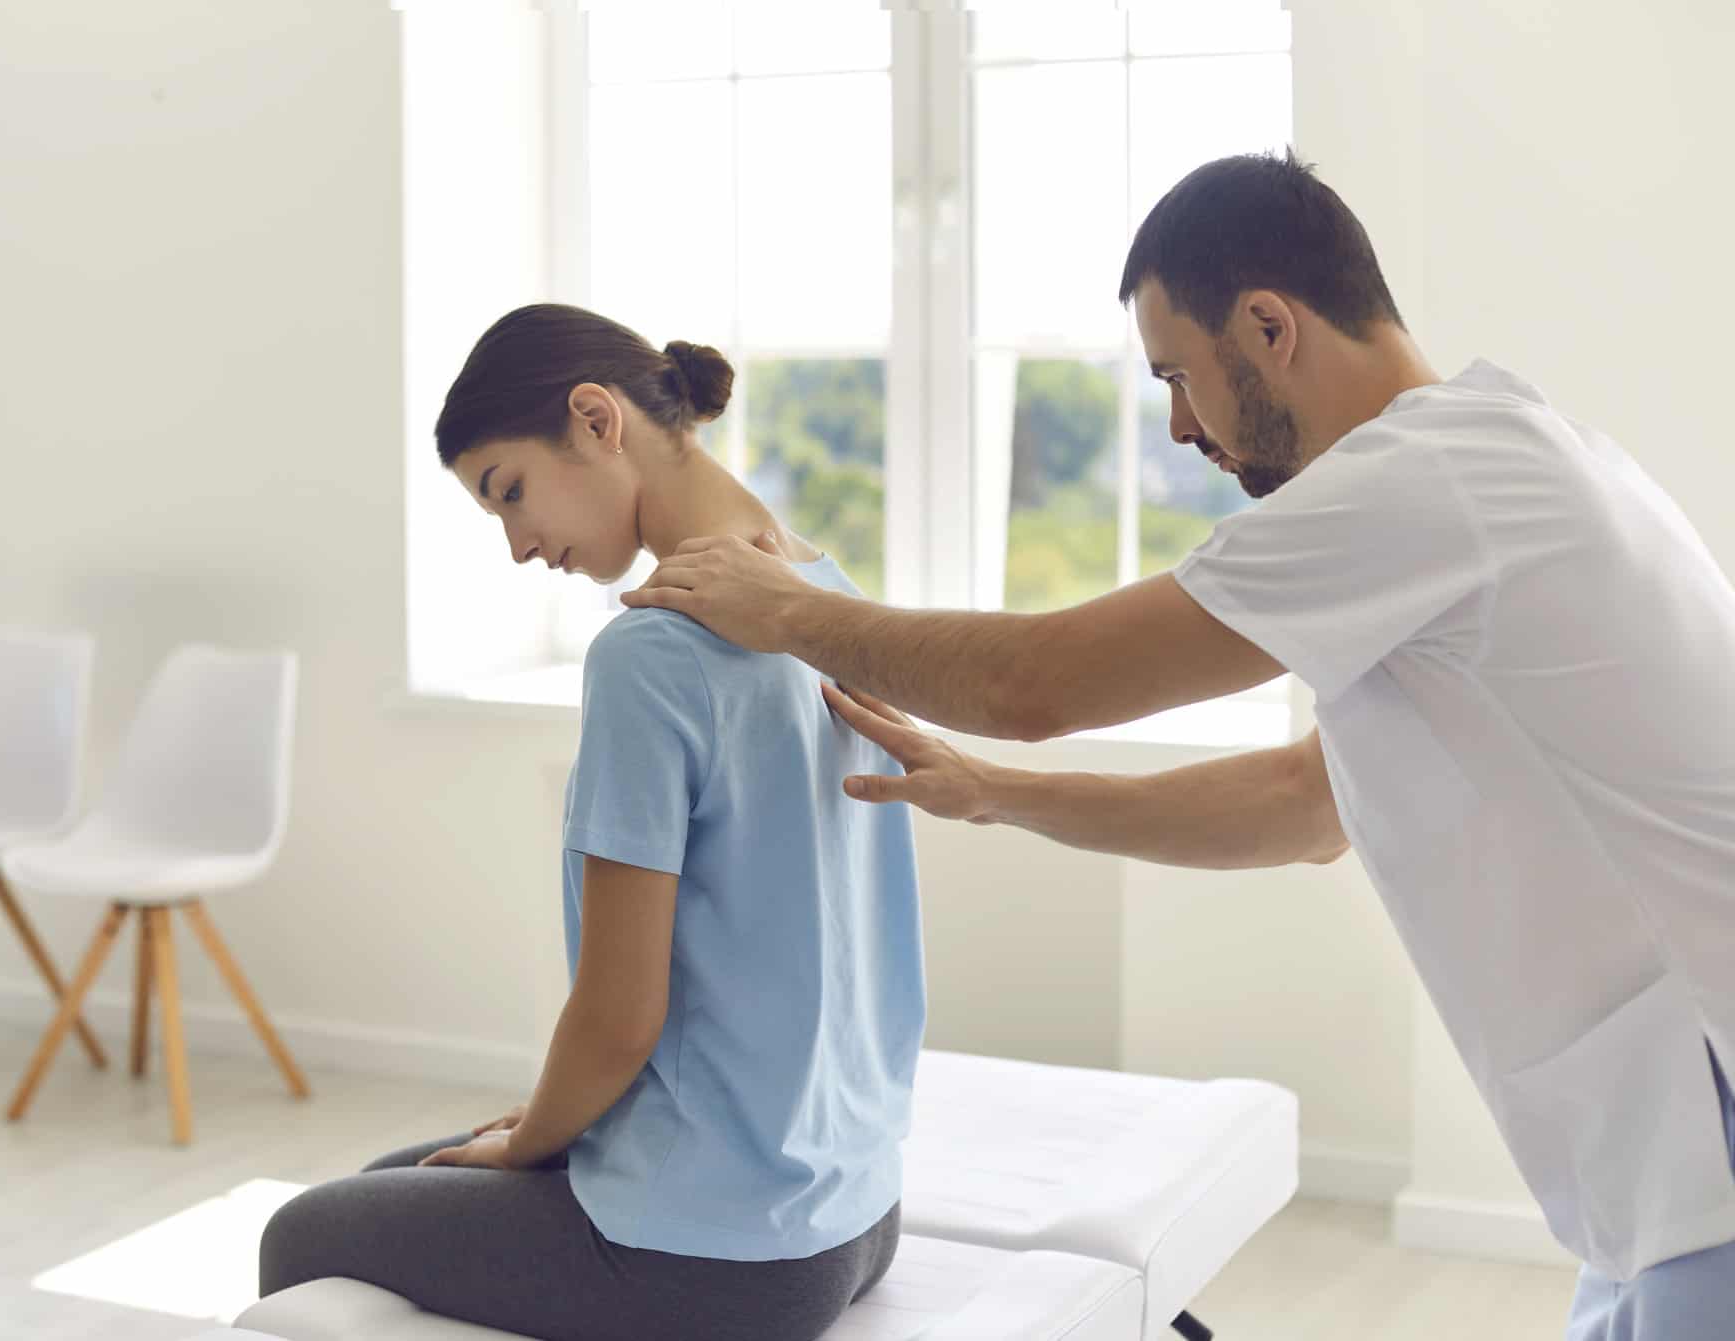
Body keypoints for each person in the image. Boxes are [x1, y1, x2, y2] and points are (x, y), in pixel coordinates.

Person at [623, 151, 1735, 1340]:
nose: (1177, 426)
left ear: (1267, 326)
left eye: (1179, 377)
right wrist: (995, 791)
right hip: (1653, 1177)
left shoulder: (1424, 480)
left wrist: (785, 612)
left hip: (1699, 1135)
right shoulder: (1497, 459)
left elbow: (1033, 678)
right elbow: (1302, 806)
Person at [257, 304, 925, 1341]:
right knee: (397, 1179)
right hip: (854, 1211)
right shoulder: (826, 597)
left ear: (595, 419)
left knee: (304, 1235)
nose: (520, 545)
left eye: (510, 492)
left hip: (721, 1257)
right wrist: (543, 1129)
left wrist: (529, 1141)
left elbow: (621, 1014)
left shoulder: (653, 653)